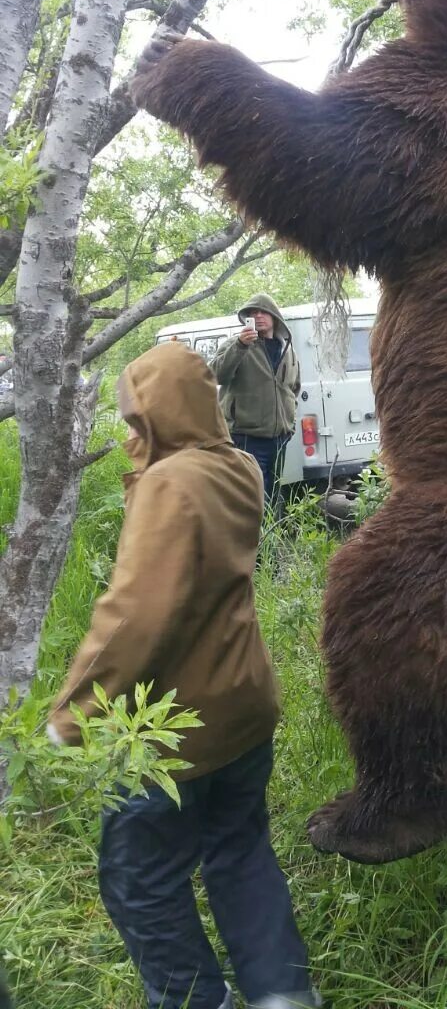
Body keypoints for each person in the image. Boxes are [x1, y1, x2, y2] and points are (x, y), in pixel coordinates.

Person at [47, 342, 319, 1009]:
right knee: (240, 851)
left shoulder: (171, 484)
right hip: (244, 705)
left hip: (168, 730)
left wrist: (71, 715)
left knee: (140, 879)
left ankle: (197, 1000)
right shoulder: (237, 468)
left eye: (135, 414)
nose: (130, 428)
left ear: (159, 410)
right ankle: (283, 994)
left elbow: (137, 615)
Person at [211, 294, 301, 507]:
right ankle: (252, 540)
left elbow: (293, 388)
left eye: (263, 312)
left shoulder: (287, 349)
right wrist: (240, 346)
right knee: (252, 497)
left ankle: (271, 538)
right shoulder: (235, 345)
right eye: (252, 313)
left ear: (275, 317)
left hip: (280, 438)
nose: (258, 316)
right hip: (246, 437)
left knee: (274, 493)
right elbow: (215, 375)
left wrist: (290, 422)